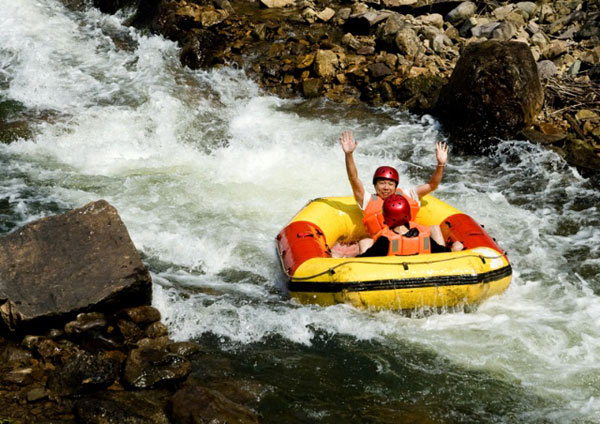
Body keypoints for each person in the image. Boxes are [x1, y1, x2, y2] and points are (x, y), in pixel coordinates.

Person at [337, 130, 449, 254]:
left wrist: (440, 164)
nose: (386, 187)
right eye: (382, 183)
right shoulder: (367, 199)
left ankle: (442, 256)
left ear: (396, 187)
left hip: (411, 237)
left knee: (434, 228)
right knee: (365, 241)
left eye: (390, 184)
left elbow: (432, 185)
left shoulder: (408, 194)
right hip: (381, 244)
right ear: (375, 185)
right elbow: (353, 178)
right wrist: (349, 155)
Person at [358, 194, 463, 257]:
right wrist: (454, 248)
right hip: (420, 276)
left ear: (386, 217)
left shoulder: (385, 241)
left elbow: (365, 259)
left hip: (393, 277)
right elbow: (442, 253)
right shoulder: (424, 238)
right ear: (408, 214)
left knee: (364, 243)